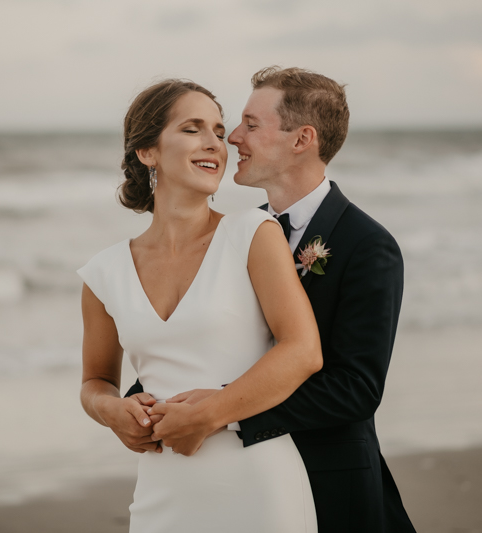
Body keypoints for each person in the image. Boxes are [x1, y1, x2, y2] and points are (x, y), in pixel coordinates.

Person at [127, 67, 417, 532]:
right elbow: (204, 339)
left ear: (302, 139)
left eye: (250, 124)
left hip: (326, 481)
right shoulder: (234, 235)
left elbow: (356, 389)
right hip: (234, 485)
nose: (233, 138)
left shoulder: (367, 245)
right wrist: (143, 405)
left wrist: (222, 413)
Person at [77, 79, 322, 532]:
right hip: (162, 495)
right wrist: (111, 411)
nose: (216, 143)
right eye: (192, 129)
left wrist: (210, 414)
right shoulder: (104, 273)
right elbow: (96, 381)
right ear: (147, 152)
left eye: (218, 129)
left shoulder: (253, 233)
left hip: (260, 488)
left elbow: (303, 350)